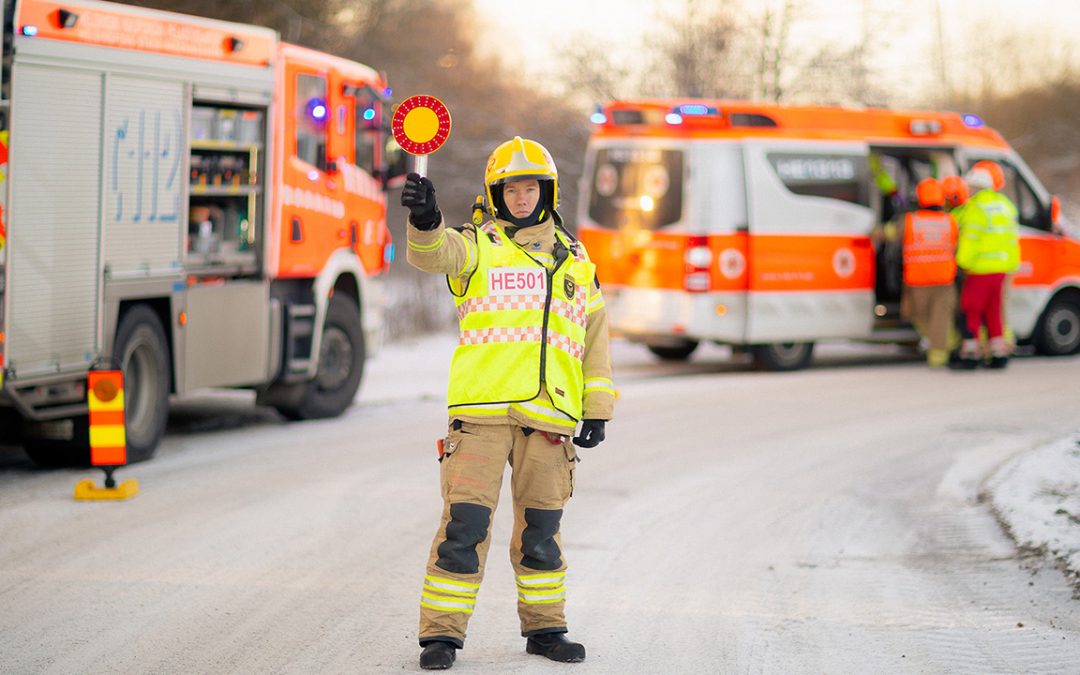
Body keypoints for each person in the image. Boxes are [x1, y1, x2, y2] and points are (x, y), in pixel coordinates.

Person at [400, 136, 615, 670]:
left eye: (531, 187)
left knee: (542, 532)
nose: (522, 198)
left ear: (548, 191)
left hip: (550, 420)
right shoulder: (477, 245)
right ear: (496, 195)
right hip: (481, 417)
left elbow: (594, 338)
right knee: (464, 527)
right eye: (511, 189)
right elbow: (433, 254)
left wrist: (598, 407)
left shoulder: (576, 260)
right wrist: (426, 221)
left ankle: (545, 630)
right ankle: (441, 637)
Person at [953, 161, 1021, 369]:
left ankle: (970, 354)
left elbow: (970, 240)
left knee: (971, 309)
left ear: (977, 187)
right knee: (993, 312)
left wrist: (961, 263)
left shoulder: (976, 209)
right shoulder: (1004, 205)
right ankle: (998, 354)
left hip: (980, 269)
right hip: (1002, 268)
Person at [901, 178, 959, 368]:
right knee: (940, 319)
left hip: (918, 282)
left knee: (921, 317)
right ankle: (944, 350)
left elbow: (889, 233)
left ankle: (939, 352)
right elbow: (957, 247)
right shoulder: (950, 222)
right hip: (943, 281)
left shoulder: (910, 221)